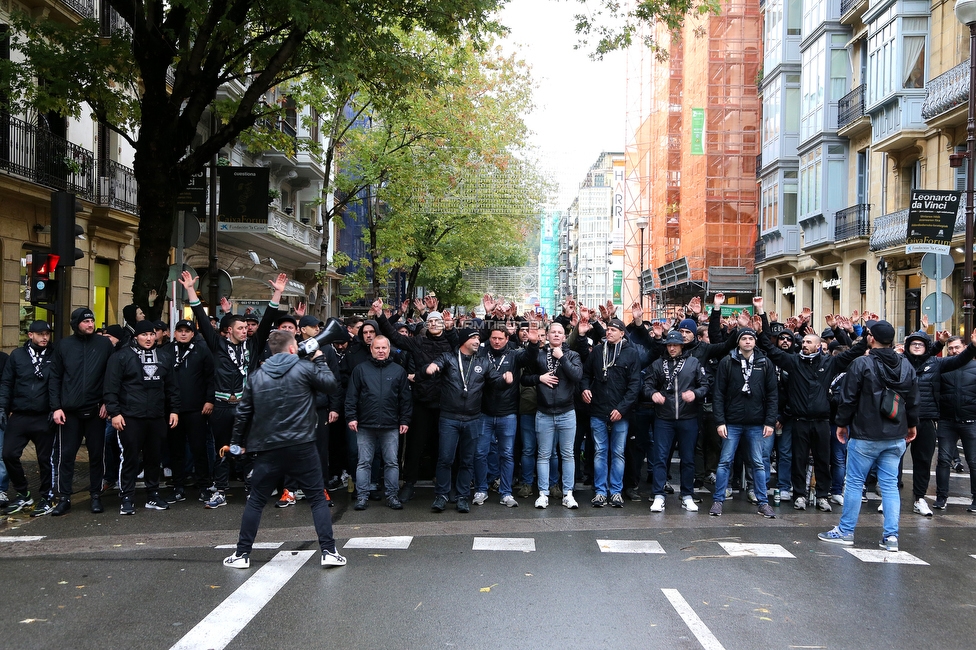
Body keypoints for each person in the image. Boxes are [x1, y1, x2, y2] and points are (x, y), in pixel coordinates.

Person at [222, 330, 346, 569]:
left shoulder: (257, 376)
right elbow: (331, 385)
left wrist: (237, 443)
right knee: (317, 499)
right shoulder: (303, 368)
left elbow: (243, 413)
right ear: (292, 349)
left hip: (268, 447)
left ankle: (242, 554)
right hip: (302, 444)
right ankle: (329, 552)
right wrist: (319, 358)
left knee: (256, 500)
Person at [178, 270, 284, 507]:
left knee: (247, 448)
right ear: (228, 330)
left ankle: (251, 489)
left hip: (246, 406)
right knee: (222, 449)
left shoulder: (253, 345)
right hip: (223, 406)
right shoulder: (217, 345)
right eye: (239, 328)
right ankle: (221, 491)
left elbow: (267, 320)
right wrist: (189, 291)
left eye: (246, 327)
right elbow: (203, 321)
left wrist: (277, 293)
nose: (245, 330)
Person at [819, 320, 918, 552]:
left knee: (854, 483)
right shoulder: (906, 365)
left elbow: (848, 398)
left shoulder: (862, 363)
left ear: (871, 338)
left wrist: (841, 424)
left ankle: (846, 531)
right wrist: (912, 425)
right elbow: (914, 400)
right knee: (890, 485)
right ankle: (891, 536)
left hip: (865, 433)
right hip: (895, 432)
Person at [103, 320, 181, 514]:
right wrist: (115, 413)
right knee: (129, 458)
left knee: (153, 458)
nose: (148, 338)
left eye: (151, 334)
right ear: (136, 336)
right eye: (144, 335)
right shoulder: (121, 357)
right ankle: (127, 497)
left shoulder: (163, 357)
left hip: (156, 416)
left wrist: (174, 410)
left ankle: (153, 495)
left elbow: (172, 386)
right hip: (130, 417)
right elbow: (111, 387)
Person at [49, 307, 116, 515]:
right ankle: (64, 497)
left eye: (92, 321)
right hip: (69, 412)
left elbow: (111, 375)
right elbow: (55, 378)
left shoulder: (104, 344)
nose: (90, 325)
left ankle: (96, 495)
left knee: (97, 454)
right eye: (86, 322)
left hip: (97, 411)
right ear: (76, 323)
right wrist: (56, 407)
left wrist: (108, 402)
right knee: (66, 455)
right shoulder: (63, 345)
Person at [709, 328, 778, 518]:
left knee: (758, 463)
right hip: (732, 421)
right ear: (738, 342)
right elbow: (718, 394)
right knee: (725, 462)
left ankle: (763, 502)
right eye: (744, 339)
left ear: (755, 342)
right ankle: (718, 500)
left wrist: (770, 422)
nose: (747, 342)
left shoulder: (764, 362)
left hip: (756, 422)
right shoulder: (728, 362)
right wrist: (720, 421)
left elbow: (773, 395)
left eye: (751, 338)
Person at [427, 328, 495, 513]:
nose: (477, 341)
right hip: (449, 418)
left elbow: (495, 380)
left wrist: (506, 377)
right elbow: (436, 364)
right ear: (464, 340)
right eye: (473, 337)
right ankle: (441, 495)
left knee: (467, 460)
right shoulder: (449, 358)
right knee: (445, 459)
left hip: (473, 419)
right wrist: (432, 366)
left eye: (478, 338)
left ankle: (462, 497)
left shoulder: (482, 361)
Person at [644, 330, 710, 512]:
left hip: (688, 417)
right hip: (664, 418)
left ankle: (687, 495)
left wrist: (695, 394)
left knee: (688, 459)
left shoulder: (693, 363)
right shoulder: (658, 364)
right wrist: (653, 393)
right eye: (669, 345)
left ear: (682, 345)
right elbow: (647, 385)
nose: (672, 348)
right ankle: (658, 495)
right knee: (660, 458)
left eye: (675, 345)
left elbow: (705, 385)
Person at [521, 321, 584, 509]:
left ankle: (568, 493)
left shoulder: (572, 355)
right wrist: (539, 378)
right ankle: (542, 493)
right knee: (543, 455)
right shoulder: (539, 356)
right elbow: (524, 378)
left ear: (564, 337)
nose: (556, 335)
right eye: (553, 332)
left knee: (567, 455)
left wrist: (562, 358)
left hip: (567, 412)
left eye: (560, 332)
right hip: (544, 412)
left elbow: (577, 376)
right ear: (546, 335)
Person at [580, 318, 642, 508]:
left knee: (618, 453)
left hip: (620, 413)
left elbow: (634, 386)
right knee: (599, 452)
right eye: (608, 329)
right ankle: (600, 491)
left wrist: (621, 409)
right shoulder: (598, 351)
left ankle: (615, 491)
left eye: (614, 330)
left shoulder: (631, 353)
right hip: (598, 410)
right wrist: (584, 389)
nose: (609, 332)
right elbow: (585, 374)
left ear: (622, 333)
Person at [346, 335, 412, 510]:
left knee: (391, 462)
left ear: (389, 349)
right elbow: (351, 396)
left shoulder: (398, 371)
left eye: (384, 348)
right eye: (377, 348)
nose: (381, 351)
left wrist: (405, 420)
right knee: (364, 462)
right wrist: (351, 417)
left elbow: (406, 399)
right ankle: (362, 497)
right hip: (365, 424)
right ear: (371, 349)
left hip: (390, 425)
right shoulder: (360, 370)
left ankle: (392, 496)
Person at [0, 321, 56, 516]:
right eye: (40, 334)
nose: (45, 337)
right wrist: (2, 407)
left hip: (43, 416)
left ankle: (47, 497)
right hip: (20, 414)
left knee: (44, 459)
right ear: (30, 335)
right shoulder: (17, 355)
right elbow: (7, 383)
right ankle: (24, 493)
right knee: (8, 454)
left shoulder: (54, 355)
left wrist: (55, 408)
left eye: (47, 334)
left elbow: (58, 383)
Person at [164, 319, 216, 504]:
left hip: (197, 409)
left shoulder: (201, 350)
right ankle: (178, 486)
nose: (183, 334)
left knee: (198, 449)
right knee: (175, 450)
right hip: (173, 410)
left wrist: (210, 400)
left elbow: (211, 376)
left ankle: (204, 485)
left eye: (187, 330)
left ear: (193, 333)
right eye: (180, 331)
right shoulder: (167, 351)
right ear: (175, 333)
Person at [934, 334, 976, 512]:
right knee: (943, 460)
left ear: (965, 347)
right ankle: (941, 497)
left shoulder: (974, 366)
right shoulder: (943, 367)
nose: (953, 351)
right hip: (947, 421)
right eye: (950, 348)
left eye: (957, 347)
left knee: (973, 462)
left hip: (971, 421)